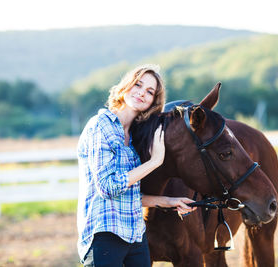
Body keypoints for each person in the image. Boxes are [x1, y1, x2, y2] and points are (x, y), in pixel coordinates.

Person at [76, 64, 196, 267]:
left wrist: (169, 201)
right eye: (138, 85)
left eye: (150, 92)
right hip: (104, 234)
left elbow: (128, 196)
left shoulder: (133, 139)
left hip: (134, 235)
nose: (142, 93)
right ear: (126, 86)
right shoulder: (100, 126)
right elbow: (108, 187)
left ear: (153, 102)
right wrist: (154, 162)